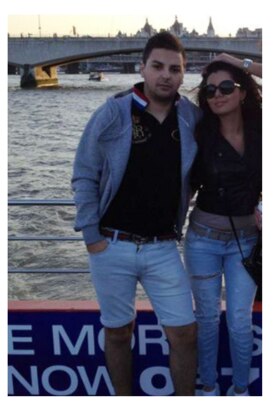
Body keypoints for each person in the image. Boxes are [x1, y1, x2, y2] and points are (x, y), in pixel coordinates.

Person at [72, 32, 201, 396]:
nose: (166, 75)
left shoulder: (191, 117)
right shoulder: (113, 112)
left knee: (184, 332)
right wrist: (91, 236)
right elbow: (84, 172)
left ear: (183, 74)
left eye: (174, 69)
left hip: (162, 247)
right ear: (142, 67)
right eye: (157, 66)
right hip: (111, 244)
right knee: (117, 331)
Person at [184, 59, 262, 396]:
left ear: (243, 91)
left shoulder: (263, 129)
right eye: (210, 90)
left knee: (240, 321)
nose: (217, 95)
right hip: (203, 239)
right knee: (207, 319)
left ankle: (241, 390)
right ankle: (208, 387)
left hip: (246, 240)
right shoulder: (198, 130)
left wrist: (238, 62)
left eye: (227, 87)